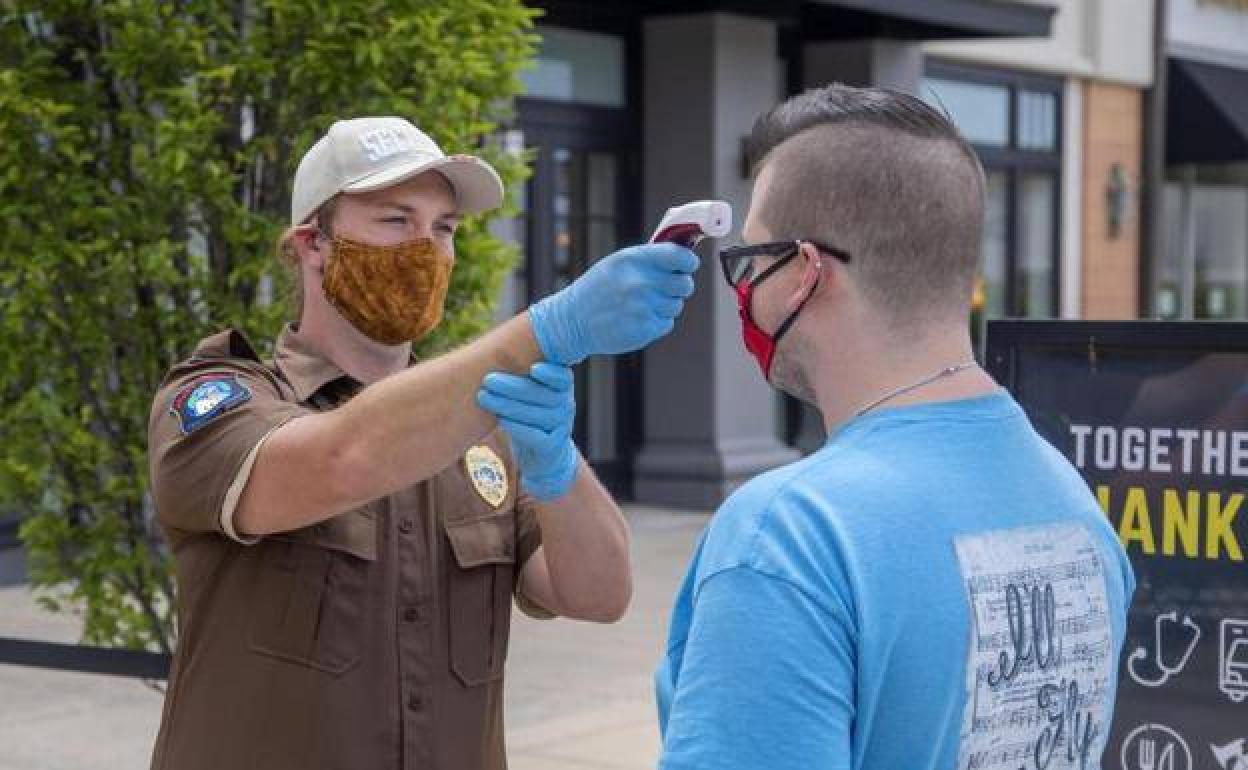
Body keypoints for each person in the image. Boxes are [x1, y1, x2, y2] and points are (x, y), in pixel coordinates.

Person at [146, 116, 698, 770]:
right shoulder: (217, 398)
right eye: (395, 221)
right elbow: (340, 459)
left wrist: (558, 466)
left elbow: (598, 594)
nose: (427, 248)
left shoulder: (481, 428)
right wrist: (550, 330)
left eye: (444, 227)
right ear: (311, 244)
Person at [655, 85, 1135, 770]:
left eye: (750, 262)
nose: (742, 290)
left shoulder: (791, 532)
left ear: (803, 275)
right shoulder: (1072, 503)